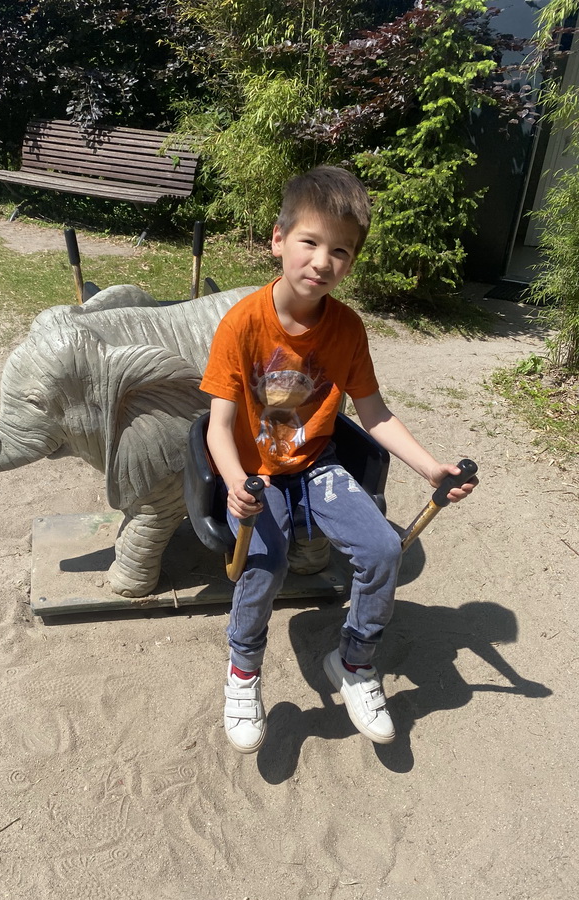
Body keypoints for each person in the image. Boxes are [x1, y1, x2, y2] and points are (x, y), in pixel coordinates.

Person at [200, 164, 478, 754]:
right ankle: (244, 671)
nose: (323, 262)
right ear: (279, 239)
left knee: (382, 549)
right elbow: (218, 427)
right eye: (310, 242)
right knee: (265, 562)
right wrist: (232, 482)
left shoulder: (347, 329)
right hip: (255, 472)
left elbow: (374, 414)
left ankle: (353, 662)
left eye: (341, 251)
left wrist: (430, 468)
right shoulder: (242, 324)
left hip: (316, 466)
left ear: (351, 261)